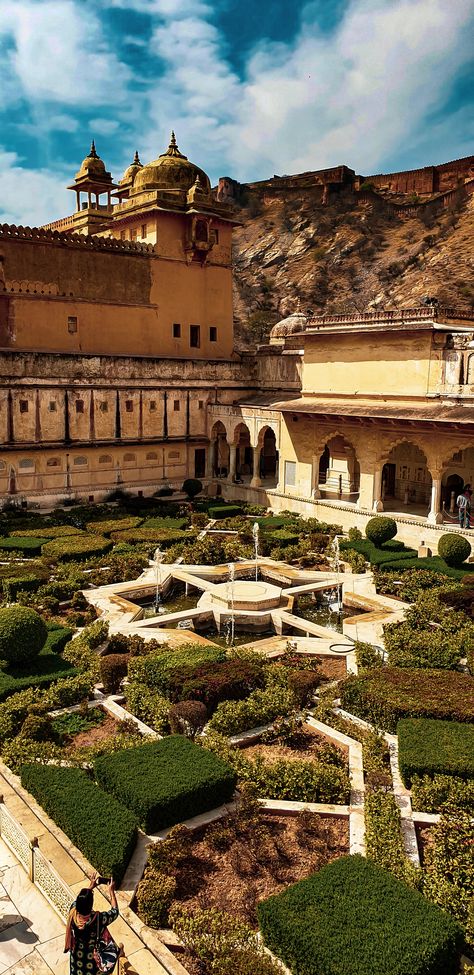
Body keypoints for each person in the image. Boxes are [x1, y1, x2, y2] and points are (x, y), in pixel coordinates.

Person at [64, 872, 119, 974]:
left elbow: (80, 901)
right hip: (92, 960)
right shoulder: (98, 919)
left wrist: (90, 887)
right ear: (91, 905)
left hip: (76, 957)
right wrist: (111, 892)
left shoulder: (73, 911)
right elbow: (115, 912)